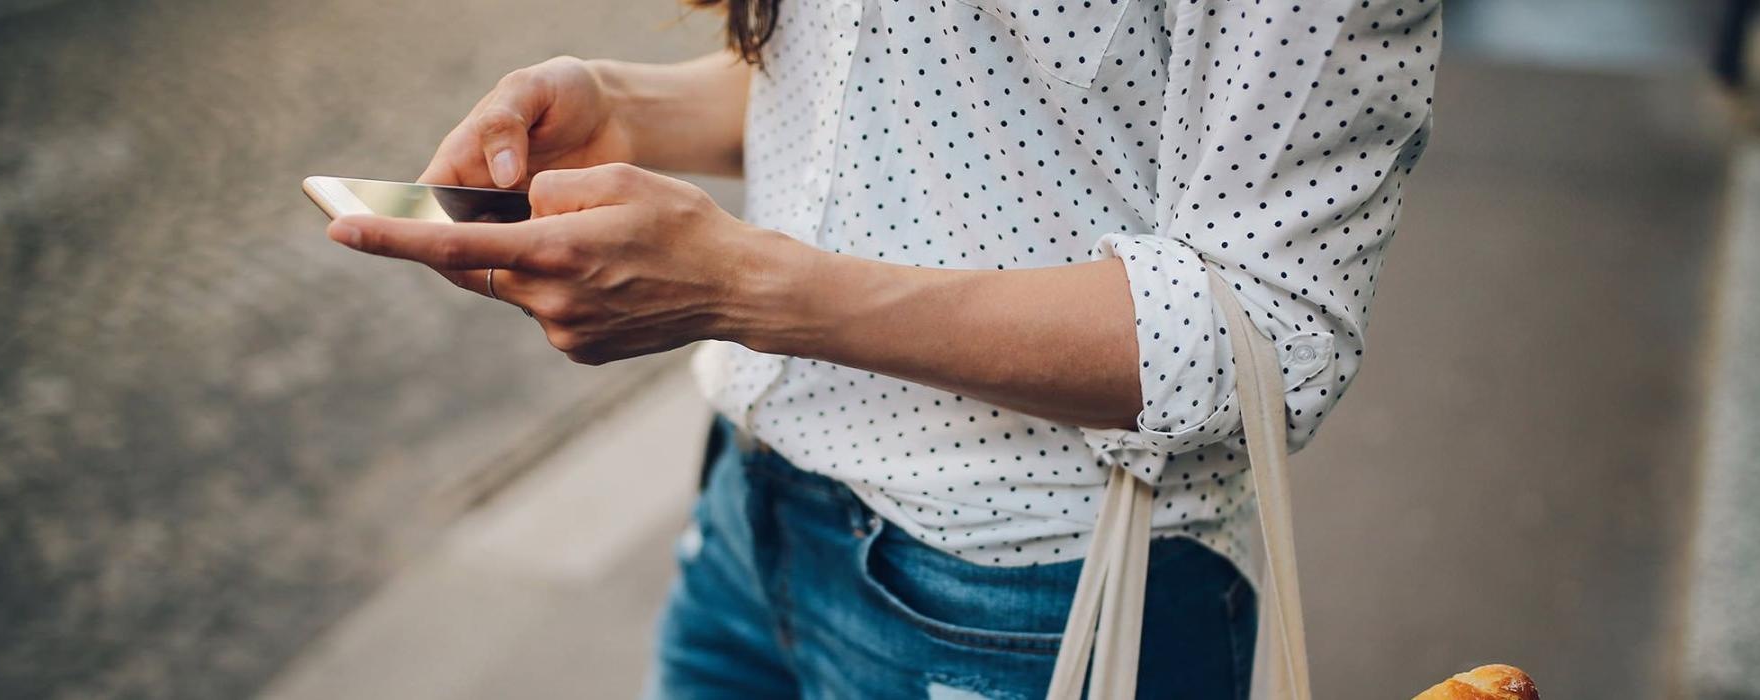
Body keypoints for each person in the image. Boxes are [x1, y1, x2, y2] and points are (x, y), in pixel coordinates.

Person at [324, 0, 1442, 696]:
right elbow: (897, 79)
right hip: (746, 523)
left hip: (1026, 597)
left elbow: (1270, 322)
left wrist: (746, 286)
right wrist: (619, 103)